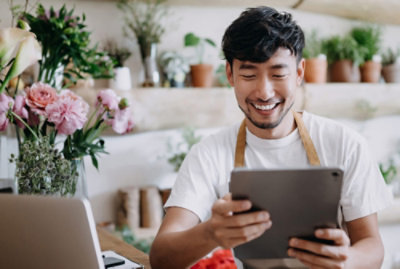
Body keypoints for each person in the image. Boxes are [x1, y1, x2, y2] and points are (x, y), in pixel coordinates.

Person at [149, 6, 392, 269]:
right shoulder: (208, 154)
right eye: (249, 74)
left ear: (299, 73)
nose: (264, 92)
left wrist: (348, 261)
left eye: (278, 74)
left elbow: (372, 245)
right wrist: (210, 233)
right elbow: (161, 258)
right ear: (230, 75)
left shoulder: (345, 143)